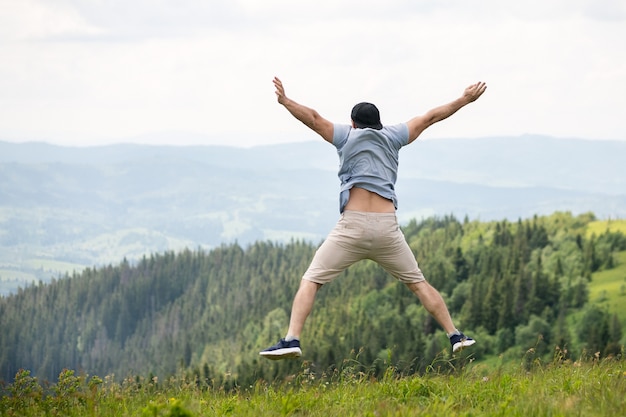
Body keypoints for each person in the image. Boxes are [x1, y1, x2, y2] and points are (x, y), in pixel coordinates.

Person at [260, 76, 487, 360]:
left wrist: (285, 101)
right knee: (418, 284)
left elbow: (314, 119)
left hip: (352, 227)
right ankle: (455, 335)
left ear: (353, 123)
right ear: (379, 123)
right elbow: (430, 118)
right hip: (386, 229)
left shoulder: (346, 136)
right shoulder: (395, 136)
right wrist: (465, 99)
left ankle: (292, 339)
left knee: (311, 280)